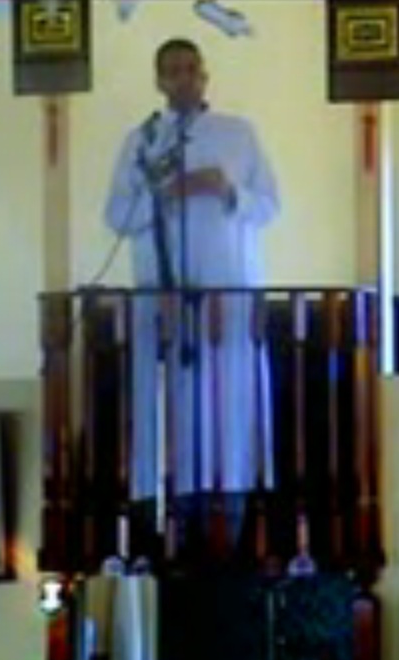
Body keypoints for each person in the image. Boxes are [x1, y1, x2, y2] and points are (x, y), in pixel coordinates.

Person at [102, 37, 281, 561]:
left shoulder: (238, 134)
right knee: (172, 415)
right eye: (172, 71)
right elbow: (117, 217)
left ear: (204, 75)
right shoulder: (142, 142)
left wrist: (225, 189)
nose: (183, 78)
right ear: (159, 80)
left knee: (227, 416)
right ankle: (169, 530)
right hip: (163, 309)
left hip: (228, 306)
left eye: (190, 69)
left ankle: (232, 525)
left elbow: (269, 206)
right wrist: (161, 194)